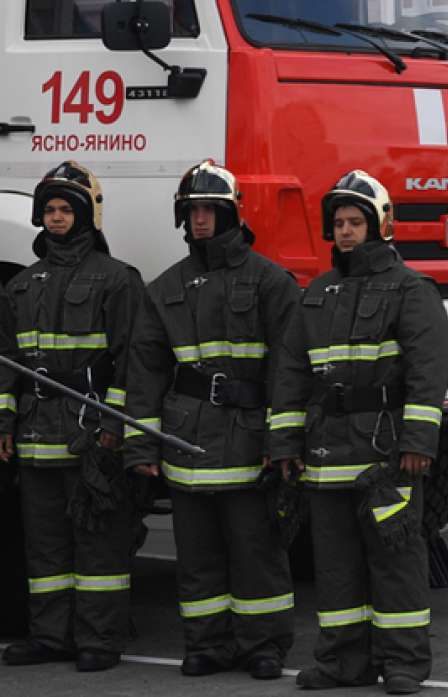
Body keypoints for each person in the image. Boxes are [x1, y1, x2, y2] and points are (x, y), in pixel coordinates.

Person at [270, 171, 448, 694]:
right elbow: (291, 372)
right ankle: (342, 663)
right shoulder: (317, 294)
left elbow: (430, 367)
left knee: (395, 561)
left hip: (387, 457)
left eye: (355, 222)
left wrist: (418, 442)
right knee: (336, 569)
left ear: (380, 225)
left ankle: (403, 664)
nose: (345, 231)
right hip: (327, 456)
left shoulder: (410, 289)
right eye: (338, 223)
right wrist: (285, 443)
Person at [124, 160, 301, 678]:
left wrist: (283, 440)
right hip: (184, 444)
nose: (199, 219)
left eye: (209, 210)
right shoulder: (164, 288)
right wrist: (140, 447)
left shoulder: (271, 281)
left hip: (248, 442)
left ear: (230, 214)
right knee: (197, 558)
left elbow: (289, 371)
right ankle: (208, 645)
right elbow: (145, 373)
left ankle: (263, 646)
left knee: (255, 552)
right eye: (192, 211)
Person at [0, 161, 143, 671]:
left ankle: (100, 640)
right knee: (45, 547)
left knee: (99, 544)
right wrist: (5, 423)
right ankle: (50, 636)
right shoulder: (21, 285)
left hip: (90, 437)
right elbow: (8, 365)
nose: (56, 218)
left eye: (66, 210)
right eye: (50, 211)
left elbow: (132, 362)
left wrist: (114, 427)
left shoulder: (117, 280)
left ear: (87, 217)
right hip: (36, 435)